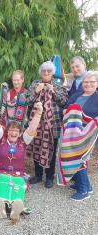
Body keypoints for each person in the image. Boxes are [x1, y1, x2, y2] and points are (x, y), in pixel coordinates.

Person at [0, 97, 43, 222]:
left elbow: (31, 128)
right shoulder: (1, 140)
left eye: (16, 131)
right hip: (1, 172)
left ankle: (17, 207)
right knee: (3, 182)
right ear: (7, 132)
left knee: (18, 184)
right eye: (11, 130)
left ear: (20, 133)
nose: (14, 133)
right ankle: (0, 205)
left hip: (18, 174)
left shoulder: (23, 141)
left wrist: (39, 113)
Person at [26, 61, 68, 188]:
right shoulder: (35, 84)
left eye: (48, 71)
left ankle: (49, 177)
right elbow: (27, 100)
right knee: (36, 148)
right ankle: (38, 175)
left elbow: (65, 102)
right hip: (36, 125)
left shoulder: (58, 85)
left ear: (52, 73)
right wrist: (36, 92)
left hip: (53, 125)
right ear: (41, 72)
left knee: (52, 150)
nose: (46, 73)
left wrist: (54, 91)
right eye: (43, 71)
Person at [61, 71, 98, 201]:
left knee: (80, 159)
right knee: (76, 158)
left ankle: (83, 191)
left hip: (89, 135)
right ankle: (86, 186)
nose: (88, 84)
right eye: (86, 82)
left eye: (92, 82)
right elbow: (66, 108)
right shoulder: (77, 95)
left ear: (97, 83)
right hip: (72, 135)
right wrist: (68, 111)